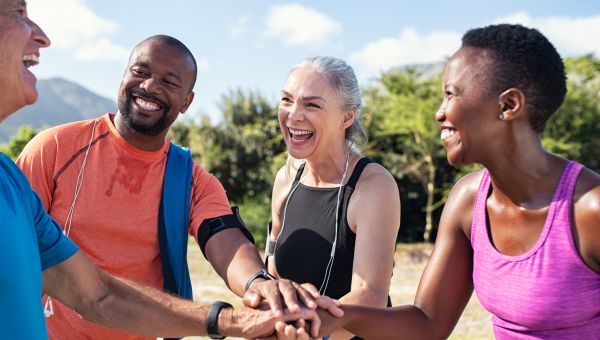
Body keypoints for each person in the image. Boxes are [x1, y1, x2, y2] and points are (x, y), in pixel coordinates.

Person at [0, 1, 342, 340]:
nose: (150, 86)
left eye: (169, 81)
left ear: (187, 102)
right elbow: (24, 254)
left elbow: (225, 239)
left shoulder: (190, 178)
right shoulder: (54, 148)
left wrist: (259, 285)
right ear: (122, 77)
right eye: (140, 72)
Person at [312, 23, 600, 339]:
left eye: (451, 94)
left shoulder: (589, 211)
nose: (439, 113)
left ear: (508, 106)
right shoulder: (468, 200)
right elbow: (426, 324)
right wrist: (330, 314)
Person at [265, 56, 401, 339]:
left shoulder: (373, 186)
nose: (293, 115)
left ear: (347, 116)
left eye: (312, 104)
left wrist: (303, 330)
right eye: (287, 100)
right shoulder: (285, 179)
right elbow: (272, 269)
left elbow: (371, 296)